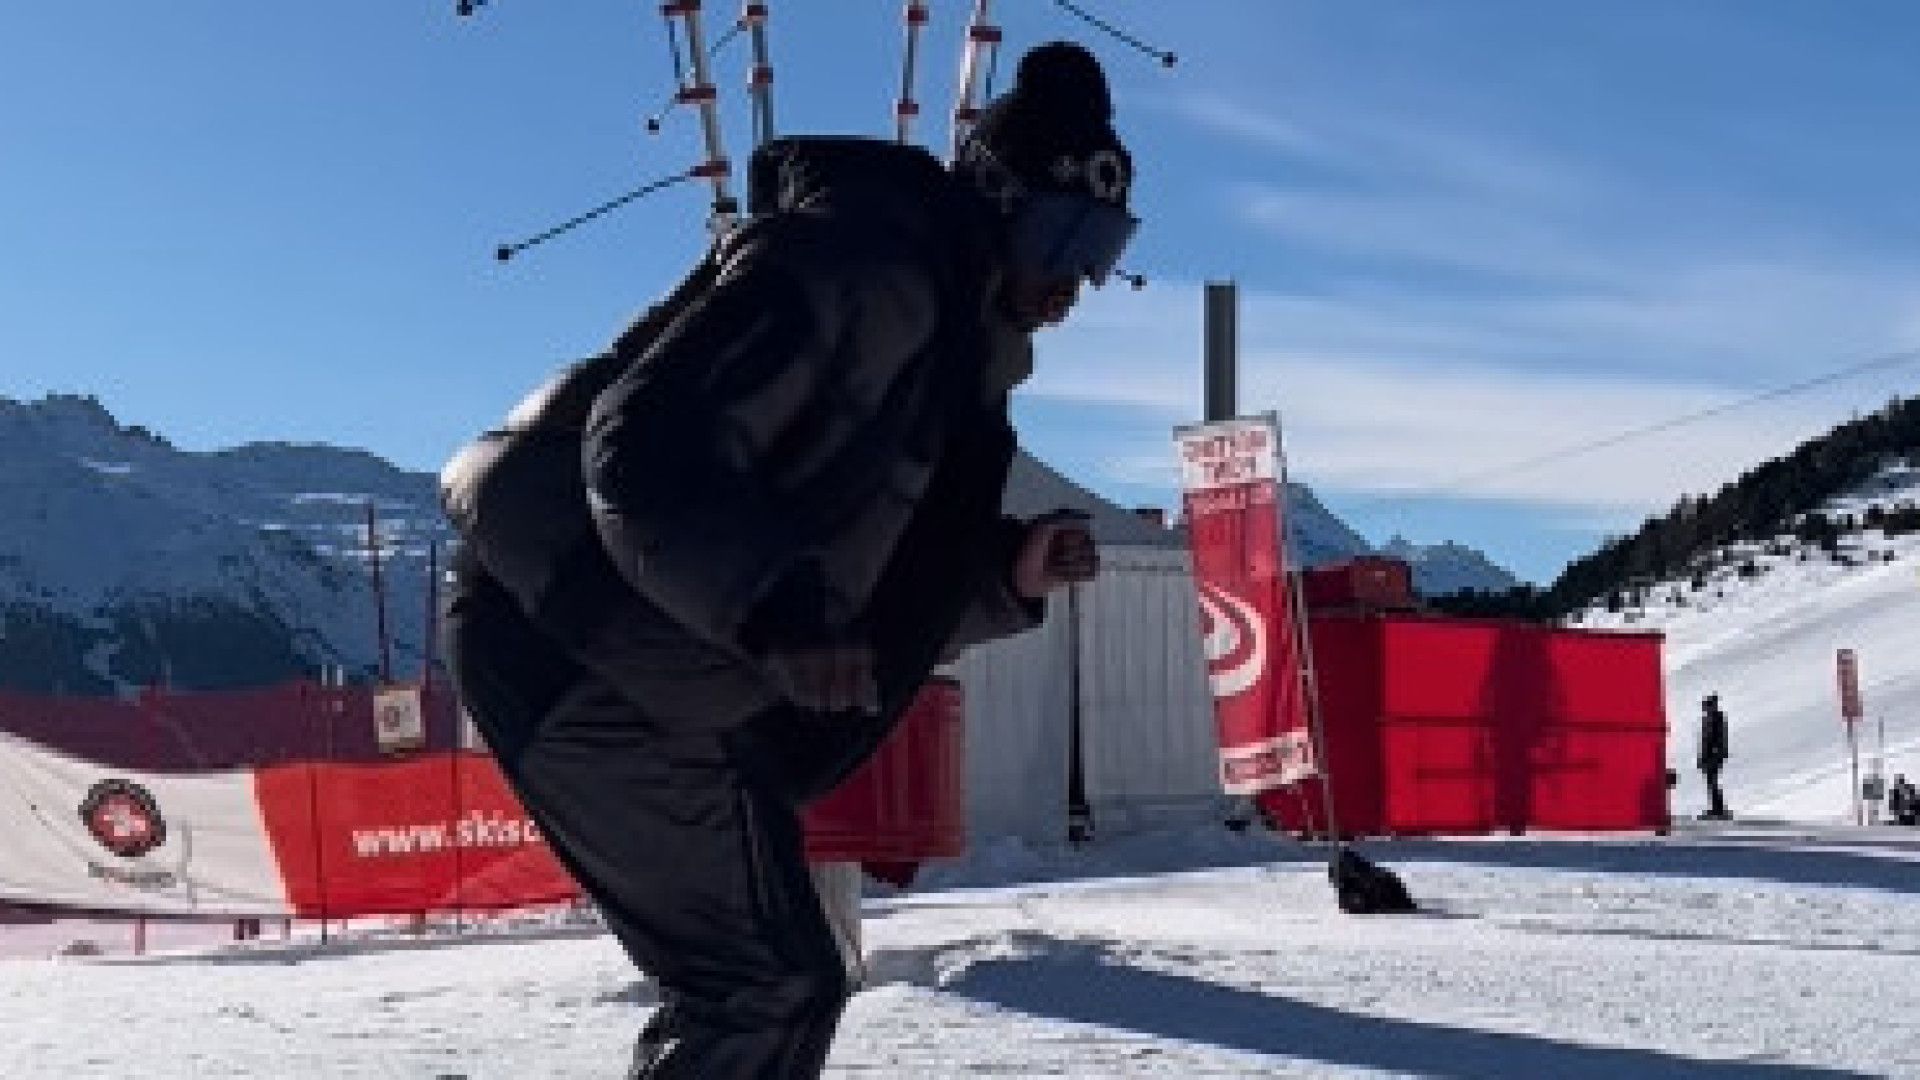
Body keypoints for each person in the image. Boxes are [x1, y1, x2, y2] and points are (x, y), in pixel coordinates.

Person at [439, 42, 1135, 1079]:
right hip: (580, 637)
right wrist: (775, 607)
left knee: (775, 981)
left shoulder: (957, 366)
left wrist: (1005, 573)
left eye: (1103, 246)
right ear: (996, 200)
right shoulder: (863, 265)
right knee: (765, 983)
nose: (1076, 278)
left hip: (657, 662)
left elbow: (865, 582)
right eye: (1060, 234)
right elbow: (643, 442)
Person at [1698, 693, 1731, 820]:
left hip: (1714, 755)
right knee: (1711, 783)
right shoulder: (1710, 718)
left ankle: (1719, 810)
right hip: (1709, 755)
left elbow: (1719, 737)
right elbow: (1705, 740)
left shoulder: (1716, 718)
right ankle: (1716, 809)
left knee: (1713, 782)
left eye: (1706, 706)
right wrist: (1702, 757)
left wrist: (1718, 752)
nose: (1705, 709)